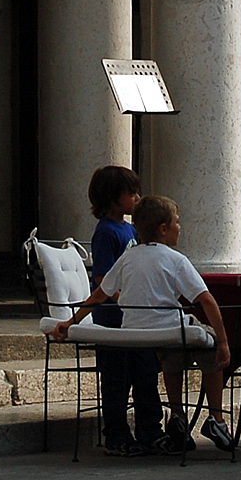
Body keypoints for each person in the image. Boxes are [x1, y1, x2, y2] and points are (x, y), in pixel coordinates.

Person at [47, 195, 236, 454]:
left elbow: (100, 293)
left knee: (173, 354)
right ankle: (216, 418)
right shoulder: (176, 259)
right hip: (170, 329)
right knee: (209, 344)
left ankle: (178, 415)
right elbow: (206, 300)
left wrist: (71, 321)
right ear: (163, 229)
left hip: (136, 332)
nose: (180, 228)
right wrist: (224, 342)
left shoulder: (127, 258)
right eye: (177, 223)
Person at [86, 165, 164, 456]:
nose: (136, 197)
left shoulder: (131, 229)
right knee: (116, 379)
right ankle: (117, 434)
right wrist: (125, 298)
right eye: (130, 193)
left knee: (145, 374)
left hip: (136, 320)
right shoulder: (106, 232)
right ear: (112, 197)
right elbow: (103, 278)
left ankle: (150, 429)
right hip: (114, 319)